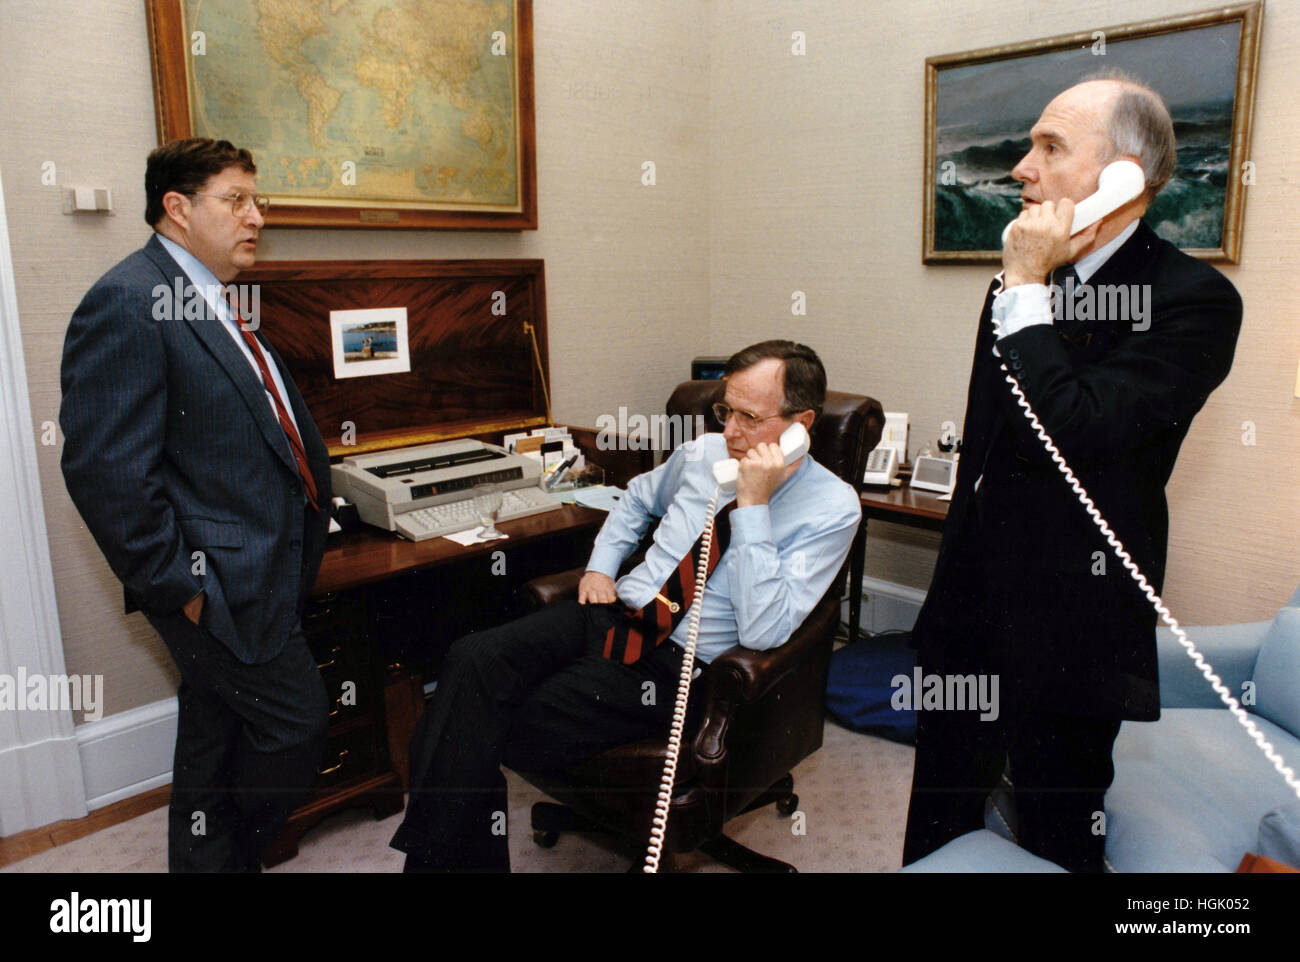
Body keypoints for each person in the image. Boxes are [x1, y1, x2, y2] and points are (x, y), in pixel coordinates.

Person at [901, 72, 1242, 872]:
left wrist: (1025, 288)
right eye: (1026, 145)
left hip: (1074, 624)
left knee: (1061, 823)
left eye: (1049, 147)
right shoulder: (1015, 286)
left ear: (1125, 176)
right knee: (940, 812)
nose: (1021, 167)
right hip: (969, 610)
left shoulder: (1195, 300)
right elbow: (988, 448)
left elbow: (1081, 427)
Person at [390, 340, 861, 871]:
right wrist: (600, 567)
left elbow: (764, 629)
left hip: (682, 663)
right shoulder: (702, 455)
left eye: (749, 418)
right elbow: (636, 497)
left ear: (802, 423)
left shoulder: (833, 508)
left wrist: (751, 506)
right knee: (472, 659)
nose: (730, 431)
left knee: (493, 713)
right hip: (616, 614)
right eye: (725, 410)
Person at [60, 138, 332, 872]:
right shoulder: (127, 300)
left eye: (258, 200)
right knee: (296, 726)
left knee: (214, 733)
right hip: (217, 584)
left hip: (263, 565)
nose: (256, 216)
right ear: (176, 209)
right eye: (235, 200)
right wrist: (181, 589)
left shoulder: (213, 295)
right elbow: (105, 470)